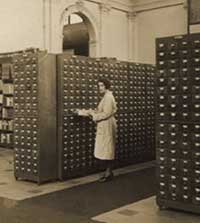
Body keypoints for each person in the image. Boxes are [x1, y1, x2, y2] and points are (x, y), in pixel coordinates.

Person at [87, 77, 117, 182]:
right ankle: (108, 172)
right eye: (98, 85)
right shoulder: (106, 96)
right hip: (104, 125)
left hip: (107, 125)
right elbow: (104, 111)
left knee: (108, 149)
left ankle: (109, 173)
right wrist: (94, 111)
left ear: (106, 86)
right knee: (105, 149)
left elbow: (107, 113)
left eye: (101, 85)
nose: (99, 88)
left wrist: (94, 116)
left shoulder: (108, 97)